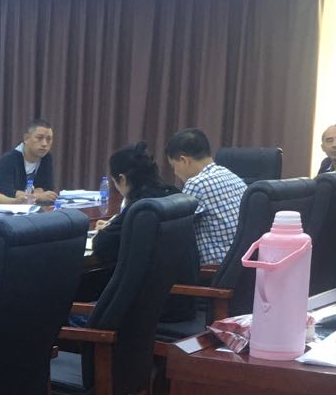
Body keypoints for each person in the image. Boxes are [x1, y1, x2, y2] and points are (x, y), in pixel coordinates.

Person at [88, 141, 197, 322]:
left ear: (122, 179)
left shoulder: (143, 208)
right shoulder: (173, 195)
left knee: (64, 312)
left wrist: (107, 230)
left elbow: (102, 246)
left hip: (149, 314)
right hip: (181, 305)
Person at [166, 127, 244, 265]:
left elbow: (175, 232)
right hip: (240, 267)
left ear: (184, 160)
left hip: (213, 271)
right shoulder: (233, 177)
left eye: (173, 166)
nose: (175, 173)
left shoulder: (196, 184)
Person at [0, 118, 59, 203]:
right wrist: (37, 195)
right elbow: (7, 193)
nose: (44, 144)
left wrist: (26, 194)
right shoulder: (8, 160)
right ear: (26, 138)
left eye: (49, 139)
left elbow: (49, 191)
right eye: (39, 138)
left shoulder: (46, 158)